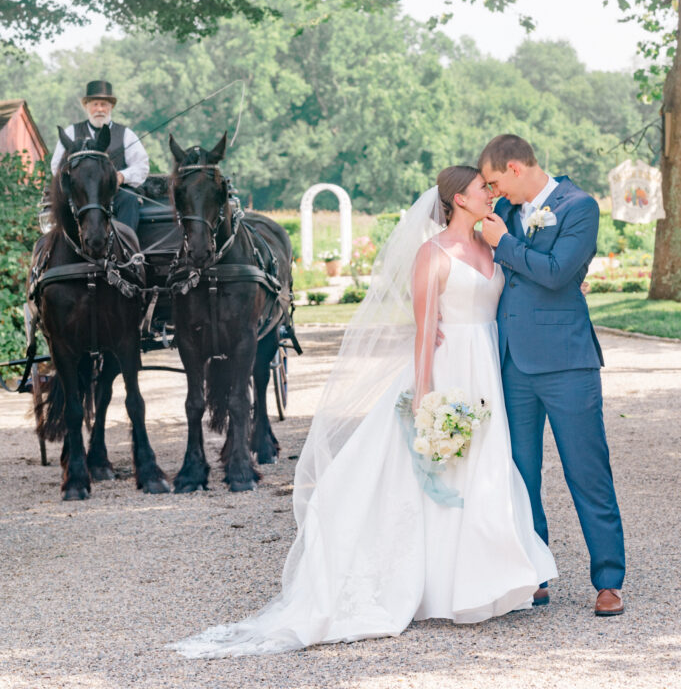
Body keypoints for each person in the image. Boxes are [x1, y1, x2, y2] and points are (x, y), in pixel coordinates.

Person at [168, 166, 556, 658]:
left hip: (487, 372)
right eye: (484, 189)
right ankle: (435, 585)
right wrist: (424, 397)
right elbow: (423, 332)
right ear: (459, 199)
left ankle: (487, 578)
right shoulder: (432, 254)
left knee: (485, 469)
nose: (492, 195)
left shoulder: (492, 246)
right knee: (438, 473)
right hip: (448, 369)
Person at [478, 134, 625, 617]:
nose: (494, 192)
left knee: (587, 471)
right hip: (512, 364)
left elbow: (561, 272)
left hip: (566, 363)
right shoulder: (509, 214)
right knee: (521, 475)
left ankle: (608, 579)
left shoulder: (579, 205)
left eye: (497, 181)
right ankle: (533, 573)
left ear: (517, 168)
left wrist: (503, 245)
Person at [51, 80, 149, 232]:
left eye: (104, 105)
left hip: (114, 194)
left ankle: (126, 248)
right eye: (95, 104)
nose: (100, 109)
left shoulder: (126, 134)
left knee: (130, 199)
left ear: (111, 107)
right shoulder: (71, 132)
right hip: (82, 195)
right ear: (86, 106)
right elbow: (57, 165)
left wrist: (122, 176)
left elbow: (141, 166)